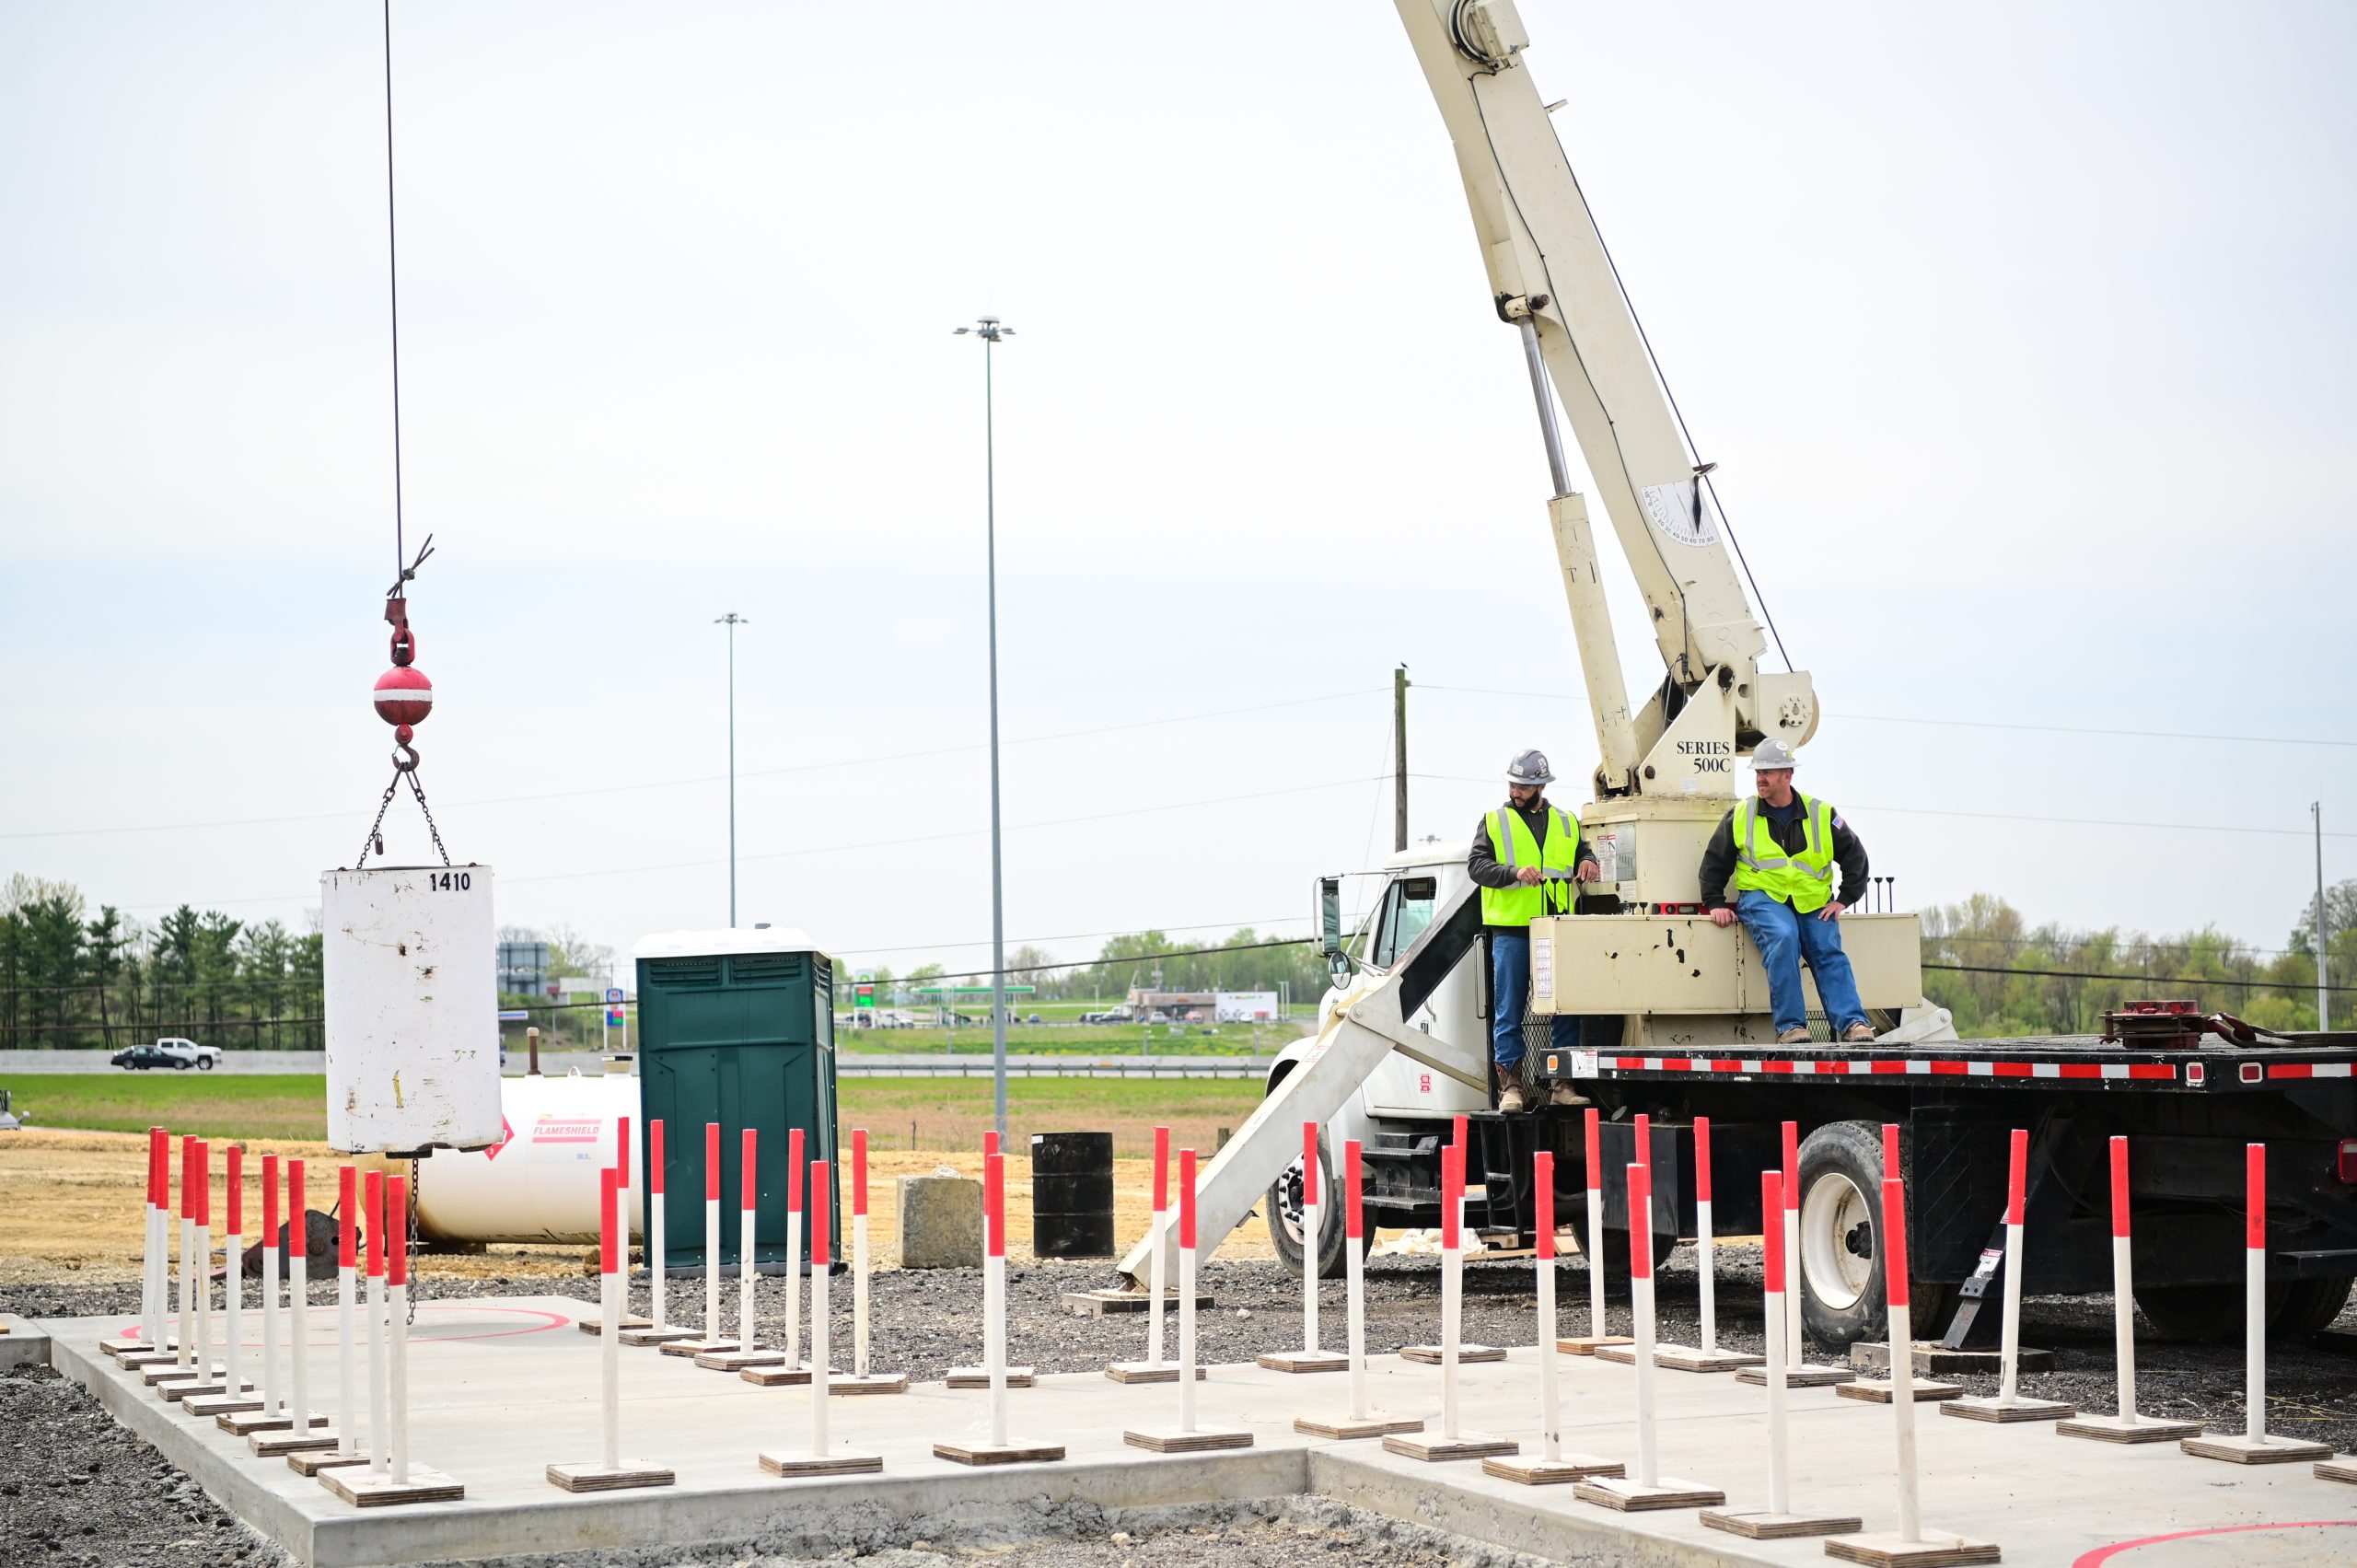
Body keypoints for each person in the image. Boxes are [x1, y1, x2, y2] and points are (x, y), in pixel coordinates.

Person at [1698, 738, 1875, 1045]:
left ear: (1788, 775)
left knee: (1827, 949)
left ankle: (1854, 1024)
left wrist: (1845, 899)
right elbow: (1715, 859)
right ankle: (1792, 1027)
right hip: (1762, 898)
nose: (1760, 778)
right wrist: (1714, 901)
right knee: (1783, 936)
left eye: (1768, 771)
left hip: (1813, 901)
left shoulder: (1821, 813)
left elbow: (1855, 856)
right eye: (1758, 772)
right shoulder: (1742, 814)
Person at [1468, 749, 1598, 1111]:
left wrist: (1588, 862)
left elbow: (1582, 854)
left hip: (1556, 930)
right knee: (1509, 1011)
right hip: (1511, 930)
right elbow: (1477, 866)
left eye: (1524, 786)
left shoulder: (1567, 821)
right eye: (1513, 784)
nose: (1517, 791)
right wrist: (1512, 873)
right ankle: (1511, 1088)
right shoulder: (1494, 821)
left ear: (1541, 785)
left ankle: (1562, 1084)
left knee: (1565, 1007)